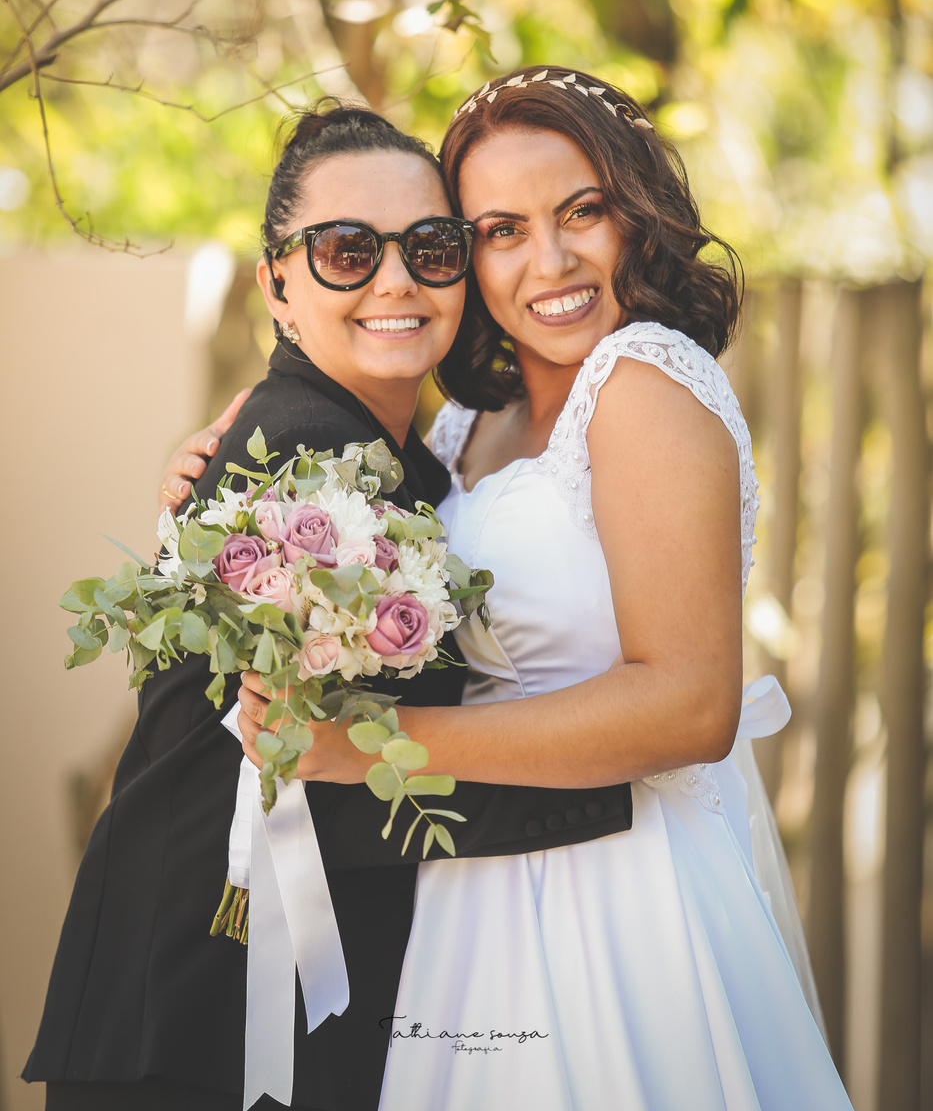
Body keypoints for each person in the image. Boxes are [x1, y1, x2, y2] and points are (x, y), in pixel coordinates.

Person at [235, 68, 854, 1110]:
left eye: (581, 212)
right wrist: (223, 436)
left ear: (636, 217)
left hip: (616, 892)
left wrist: (375, 747)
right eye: (502, 231)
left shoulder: (644, 380)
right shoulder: (465, 425)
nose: (551, 262)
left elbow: (691, 705)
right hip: (474, 892)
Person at [24, 103, 634, 1111]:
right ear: (277, 282)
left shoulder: (386, 453)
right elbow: (340, 775)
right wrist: (623, 798)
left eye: (430, 248)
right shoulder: (313, 456)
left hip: (229, 1004)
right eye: (348, 251)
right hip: (204, 1013)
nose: (395, 280)